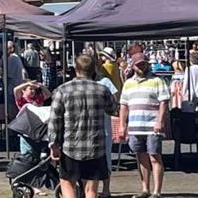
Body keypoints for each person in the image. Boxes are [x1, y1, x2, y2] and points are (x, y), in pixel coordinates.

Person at [48, 55, 115, 198]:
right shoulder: (102, 90)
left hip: (70, 145)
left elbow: (54, 120)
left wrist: (53, 144)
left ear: (76, 69)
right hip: (96, 145)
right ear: (94, 70)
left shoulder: (62, 90)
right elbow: (113, 109)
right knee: (91, 188)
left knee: (67, 183)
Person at [118, 53, 170, 198]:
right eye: (138, 64)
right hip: (135, 126)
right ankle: (145, 189)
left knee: (154, 156)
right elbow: (123, 105)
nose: (141, 66)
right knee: (141, 157)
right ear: (133, 65)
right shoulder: (128, 83)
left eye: (143, 63)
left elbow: (164, 102)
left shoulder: (158, 80)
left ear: (147, 63)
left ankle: (157, 191)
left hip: (152, 126)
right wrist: (122, 125)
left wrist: (160, 121)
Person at [95, 68, 119, 198]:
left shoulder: (105, 81)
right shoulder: (81, 83)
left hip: (104, 127)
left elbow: (114, 98)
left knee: (106, 158)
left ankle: (106, 189)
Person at [7, 41, 27, 105]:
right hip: (18, 86)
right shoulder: (17, 57)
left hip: (12, 88)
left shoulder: (12, 58)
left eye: (7, 48)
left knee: (12, 108)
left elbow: (9, 76)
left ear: (12, 48)